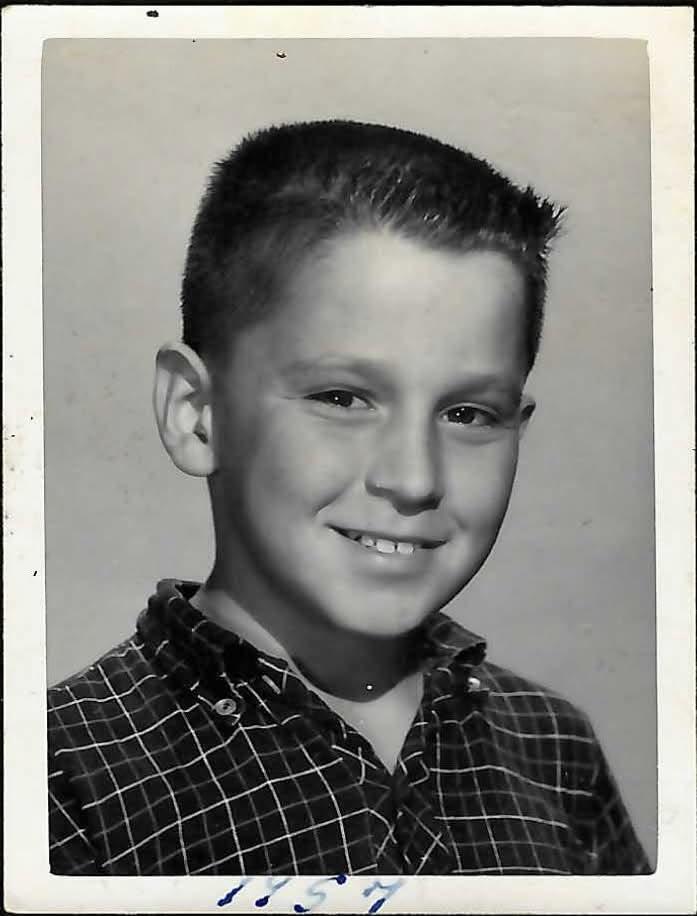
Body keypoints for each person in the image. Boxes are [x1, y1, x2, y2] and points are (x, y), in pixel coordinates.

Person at [47, 120, 650, 876]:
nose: (414, 478)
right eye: (342, 398)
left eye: (468, 414)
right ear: (196, 414)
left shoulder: (555, 751)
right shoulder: (62, 780)